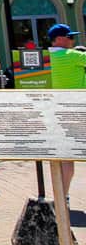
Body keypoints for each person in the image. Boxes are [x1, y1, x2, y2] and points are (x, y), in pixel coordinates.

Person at [47, 23, 86, 198]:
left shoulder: (50, 57)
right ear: (59, 39)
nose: (73, 40)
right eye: (70, 37)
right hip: (77, 111)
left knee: (66, 157)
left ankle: (62, 196)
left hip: (58, 111)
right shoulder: (73, 56)